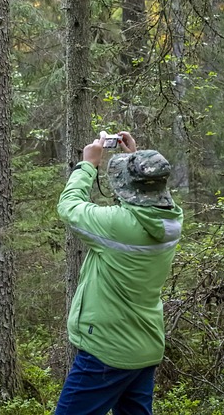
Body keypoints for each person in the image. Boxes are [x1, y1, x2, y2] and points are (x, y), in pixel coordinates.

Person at [55, 131, 183, 415]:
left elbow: (68, 207)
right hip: (145, 344)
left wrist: (88, 164)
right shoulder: (172, 219)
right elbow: (145, 199)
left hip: (107, 350)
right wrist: (134, 158)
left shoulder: (117, 225)